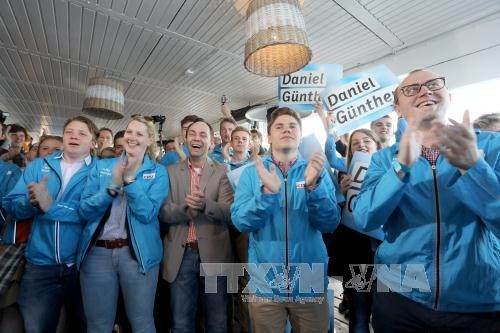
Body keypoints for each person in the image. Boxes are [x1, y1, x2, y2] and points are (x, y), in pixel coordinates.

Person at [353, 69, 500, 332]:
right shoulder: (384, 159)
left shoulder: (493, 147)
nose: (425, 91)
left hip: (476, 298)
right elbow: (365, 217)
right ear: (397, 108)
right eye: (411, 89)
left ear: (449, 96)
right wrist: (401, 167)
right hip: (398, 295)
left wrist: (474, 168)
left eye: (433, 84)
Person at [230, 107, 340, 333]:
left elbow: (330, 223)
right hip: (266, 284)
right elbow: (241, 222)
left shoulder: (316, 171)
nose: (286, 130)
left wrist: (313, 188)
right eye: (279, 126)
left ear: (300, 135)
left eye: (292, 127)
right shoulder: (253, 173)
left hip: (309, 280)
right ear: (269, 136)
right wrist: (267, 195)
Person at [2, 115, 99, 333]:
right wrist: (32, 202)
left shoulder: (101, 172)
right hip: (40, 265)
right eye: (69, 132)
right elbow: (11, 205)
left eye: (82, 133)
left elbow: (93, 212)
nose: (74, 136)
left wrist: (50, 206)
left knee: (84, 326)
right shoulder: (39, 166)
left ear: (94, 142)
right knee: (36, 327)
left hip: (85, 265)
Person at [77, 115, 168, 333]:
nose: (132, 137)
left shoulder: (158, 172)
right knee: (98, 325)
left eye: (139, 133)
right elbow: (85, 209)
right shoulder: (102, 167)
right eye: (129, 132)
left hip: (137, 256)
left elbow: (147, 213)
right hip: (97, 255)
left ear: (149, 141)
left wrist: (129, 181)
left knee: (142, 323)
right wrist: (111, 188)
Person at [159, 119, 234, 333]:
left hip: (214, 257)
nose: (197, 138)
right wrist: (184, 210)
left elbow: (230, 212)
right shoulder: (170, 172)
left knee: (217, 321)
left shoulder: (222, 171)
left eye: (203, 134)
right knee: (181, 322)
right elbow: (163, 211)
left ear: (211, 143)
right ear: (185, 139)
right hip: (181, 256)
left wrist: (205, 205)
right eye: (192, 134)